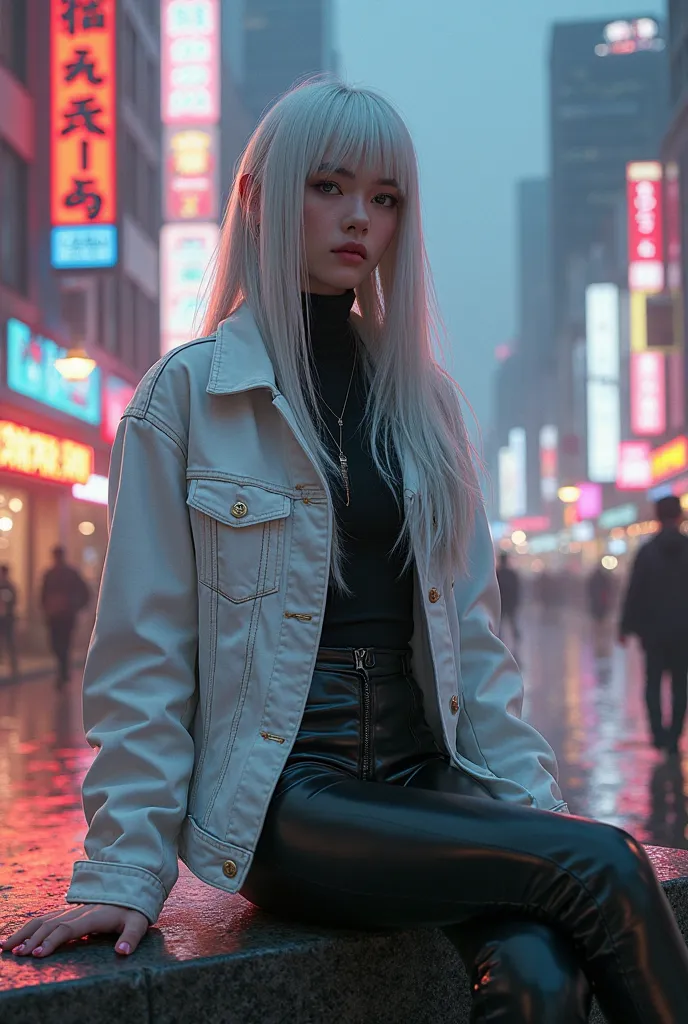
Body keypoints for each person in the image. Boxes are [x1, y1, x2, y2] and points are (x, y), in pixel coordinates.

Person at [4, 80, 688, 1023]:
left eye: (384, 197)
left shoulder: (427, 403)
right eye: (328, 186)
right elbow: (143, 656)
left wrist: (534, 811)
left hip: (426, 779)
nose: (359, 218)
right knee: (606, 859)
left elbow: (477, 650)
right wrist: (125, 869)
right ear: (258, 197)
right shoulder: (188, 399)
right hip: (289, 796)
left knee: (538, 979)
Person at [620, 495, 688, 756]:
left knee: (653, 683)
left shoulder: (647, 551)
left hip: (654, 632)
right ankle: (674, 737)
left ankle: (657, 734)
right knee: (681, 684)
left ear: (657, 517)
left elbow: (634, 591)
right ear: (680, 516)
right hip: (683, 631)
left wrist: (624, 627)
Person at [40, 545, 90, 685]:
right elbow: (43, 595)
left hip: (67, 616)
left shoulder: (71, 574)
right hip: (55, 616)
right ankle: (62, 671)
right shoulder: (49, 574)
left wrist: (74, 606)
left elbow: (84, 593)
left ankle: (63, 672)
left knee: (64, 644)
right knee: (56, 645)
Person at [587, 561, 616, 658]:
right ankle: (602, 639)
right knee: (602, 621)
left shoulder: (593, 578)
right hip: (602, 603)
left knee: (598, 622)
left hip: (596, 603)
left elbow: (590, 590)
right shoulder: (604, 578)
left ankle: (599, 639)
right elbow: (610, 590)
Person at [495, 550, 520, 645]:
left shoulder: (497, 573)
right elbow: (516, 589)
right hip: (509, 602)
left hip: (501, 602)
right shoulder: (511, 574)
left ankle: (499, 641)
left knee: (500, 623)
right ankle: (516, 638)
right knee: (512, 621)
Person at [0, 564, 18, 678]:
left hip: (7, 617)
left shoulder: (9, 586)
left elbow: (12, 600)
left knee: (10, 641)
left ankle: (14, 666)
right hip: (4, 616)